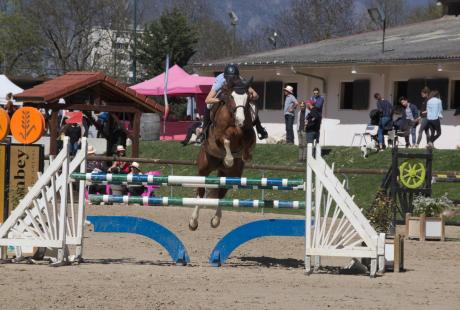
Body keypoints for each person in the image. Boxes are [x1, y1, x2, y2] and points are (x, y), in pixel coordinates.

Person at [197, 63, 268, 143]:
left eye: (234, 79)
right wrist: (221, 99)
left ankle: (259, 128)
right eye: (230, 79)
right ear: (226, 78)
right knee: (208, 105)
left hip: (235, 98)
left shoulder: (241, 80)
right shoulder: (220, 81)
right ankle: (204, 131)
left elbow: (256, 95)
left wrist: (247, 98)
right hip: (221, 96)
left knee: (249, 104)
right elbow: (208, 100)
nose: (233, 81)